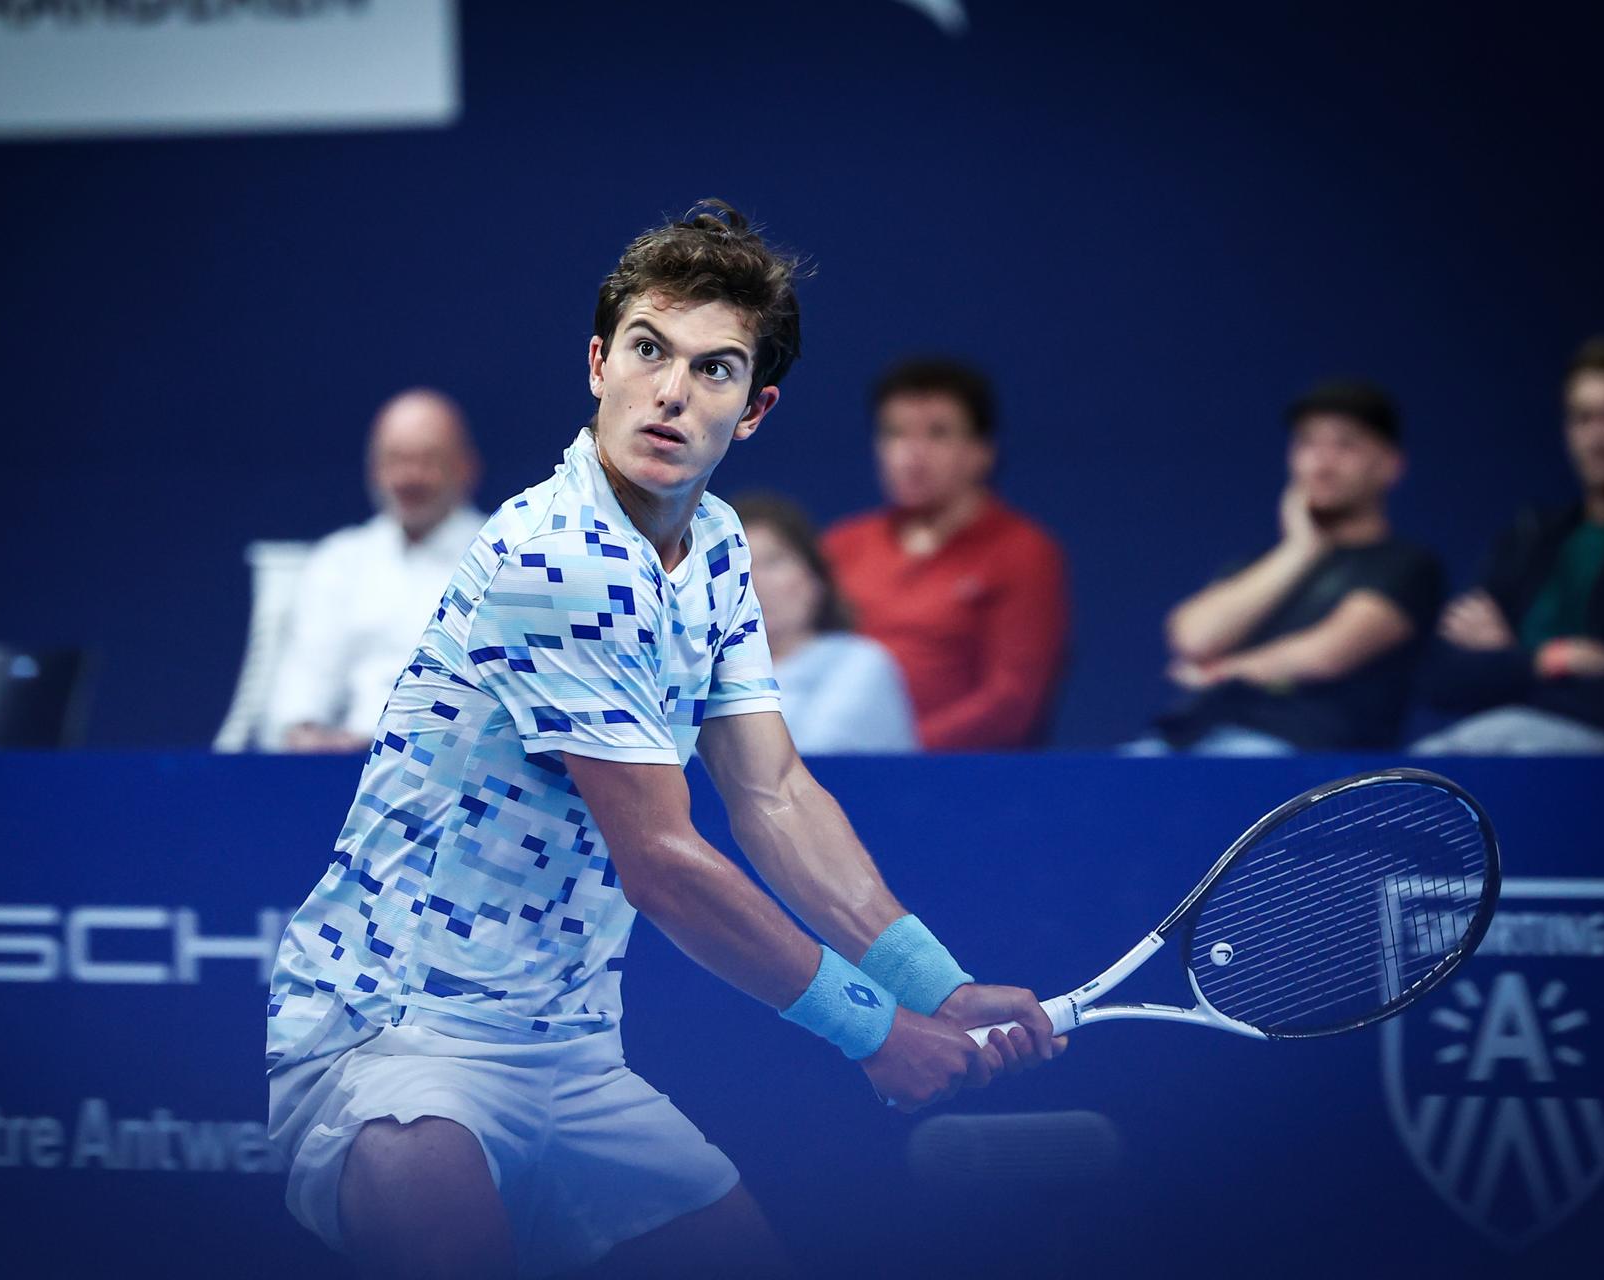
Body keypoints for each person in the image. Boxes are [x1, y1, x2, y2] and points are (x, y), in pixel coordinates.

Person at [265, 203, 1060, 1280]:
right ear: (599, 363)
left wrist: (934, 983)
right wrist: (873, 1028)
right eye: (649, 350)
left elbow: (773, 792)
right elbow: (664, 863)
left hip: (572, 1047)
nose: (673, 391)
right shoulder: (562, 557)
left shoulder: (719, 542)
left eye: (715, 368)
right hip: (395, 1033)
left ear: (756, 407)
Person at [1130, 380, 1444, 755]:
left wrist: (1222, 671)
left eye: (1346, 446)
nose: (1322, 464)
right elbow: (1194, 637)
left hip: (1307, 754)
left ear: (1390, 466)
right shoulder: (1265, 563)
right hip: (1194, 739)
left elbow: (1327, 653)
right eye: (1308, 444)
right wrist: (1299, 549)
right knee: (1118, 769)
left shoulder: (1406, 565)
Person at [1414, 336, 1604, 753]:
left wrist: (1506, 658)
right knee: (1422, 769)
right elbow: (1444, 676)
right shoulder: (1532, 538)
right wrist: (1551, 658)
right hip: (1504, 739)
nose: (1599, 437)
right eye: (1583, 418)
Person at [822, 359, 1068, 750]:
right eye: (895, 433)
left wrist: (895, 750)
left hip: (958, 775)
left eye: (938, 433)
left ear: (982, 452)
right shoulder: (842, 544)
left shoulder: (1023, 551)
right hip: (836, 764)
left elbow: (1013, 702)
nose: (912, 454)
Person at [263, 390, 484, 753]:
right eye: (396, 459)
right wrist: (307, 736)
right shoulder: (339, 560)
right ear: (375, 469)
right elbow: (301, 693)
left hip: (461, 763)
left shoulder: (498, 556)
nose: (410, 477)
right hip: (348, 765)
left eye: (428, 460)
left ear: (465, 467)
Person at [732, 493, 918, 754]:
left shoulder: (862, 662)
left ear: (815, 578)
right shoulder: (702, 672)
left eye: (773, 562)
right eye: (738, 567)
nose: (755, 581)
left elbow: (809, 756)